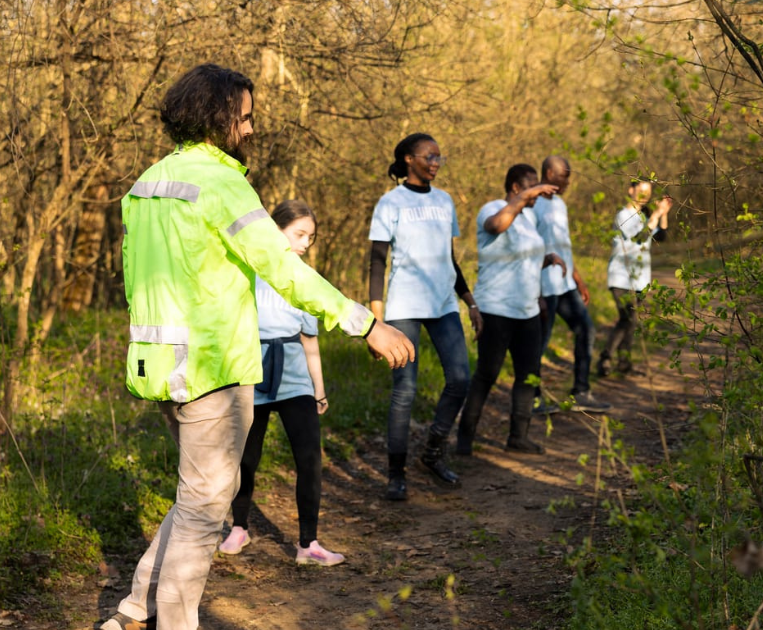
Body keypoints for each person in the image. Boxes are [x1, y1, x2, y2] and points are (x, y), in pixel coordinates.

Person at [102, 64, 413, 630]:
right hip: (213, 369)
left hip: (158, 363)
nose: (249, 129)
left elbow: (132, 278)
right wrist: (364, 324)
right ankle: (173, 622)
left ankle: (131, 611)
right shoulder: (222, 183)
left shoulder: (148, 181)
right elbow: (283, 268)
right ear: (217, 116)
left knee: (197, 497)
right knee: (204, 509)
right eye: (243, 118)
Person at [217, 200, 344, 567]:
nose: (306, 243)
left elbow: (310, 340)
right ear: (276, 230)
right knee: (246, 459)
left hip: (295, 382)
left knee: (309, 460)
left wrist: (318, 389)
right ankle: (238, 527)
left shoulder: (305, 279)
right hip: (251, 376)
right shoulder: (246, 272)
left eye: (311, 237)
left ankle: (309, 544)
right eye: (299, 234)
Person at [369, 132, 482, 500]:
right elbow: (377, 260)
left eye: (438, 157)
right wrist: (376, 319)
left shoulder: (445, 201)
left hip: (444, 305)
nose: (435, 162)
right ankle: (395, 473)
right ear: (407, 159)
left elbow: (449, 257)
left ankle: (432, 452)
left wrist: (470, 301)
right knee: (405, 390)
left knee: (460, 379)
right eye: (428, 156)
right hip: (403, 306)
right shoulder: (390, 202)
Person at [457, 165, 564, 455]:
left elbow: (523, 260)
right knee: (487, 374)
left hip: (527, 311)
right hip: (496, 309)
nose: (536, 194)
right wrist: (525, 197)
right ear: (515, 187)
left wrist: (547, 261)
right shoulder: (493, 208)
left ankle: (518, 437)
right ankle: (464, 440)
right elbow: (496, 226)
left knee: (529, 374)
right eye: (531, 187)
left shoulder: (528, 218)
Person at [531, 155, 610, 413]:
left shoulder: (560, 204)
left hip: (565, 285)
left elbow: (564, 245)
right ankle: (532, 399)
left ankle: (581, 392)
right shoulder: (532, 204)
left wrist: (577, 278)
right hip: (543, 287)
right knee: (539, 344)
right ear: (550, 174)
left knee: (586, 330)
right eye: (565, 176)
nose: (568, 182)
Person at [598, 181, 672, 377]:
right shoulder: (623, 215)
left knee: (630, 321)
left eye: (648, 192)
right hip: (621, 276)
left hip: (640, 279)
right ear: (631, 190)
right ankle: (605, 358)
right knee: (627, 319)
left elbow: (660, 237)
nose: (644, 195)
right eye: (641, 190)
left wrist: (663, 213)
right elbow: (640, 237)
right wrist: (655, 215)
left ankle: (623, 364)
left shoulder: (643, 216)